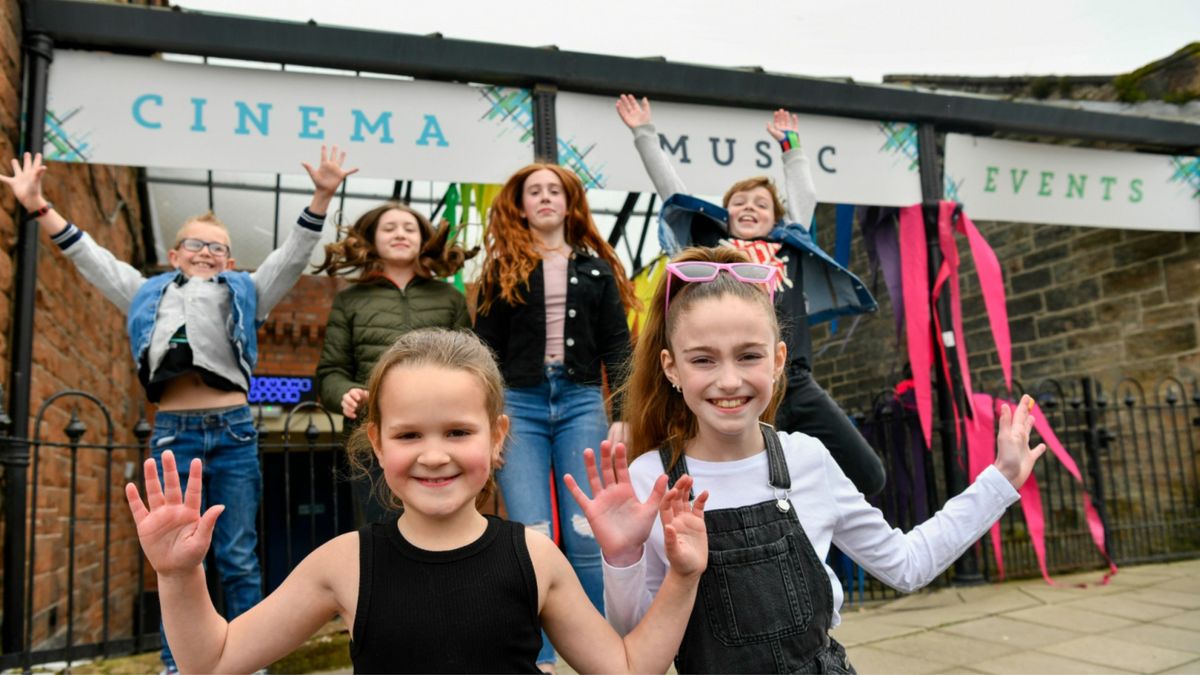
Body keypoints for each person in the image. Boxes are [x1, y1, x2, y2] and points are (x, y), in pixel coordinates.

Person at [569, 246, 1045, 673]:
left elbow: (905, 564)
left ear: (778, 362)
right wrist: (622, 557)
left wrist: (1000, 480)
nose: (730, 380)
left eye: (749, 356)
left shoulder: (807, 458)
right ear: (672, 367)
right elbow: (636, 651)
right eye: (704, 360)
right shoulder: (649, 478)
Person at [125, 328, 709, 674]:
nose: (434, 456)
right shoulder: (343, 562)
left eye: (457, 432)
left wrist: (683, 576)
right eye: (409, 435)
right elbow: (215, 661)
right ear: (377, 443)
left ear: (497, 436)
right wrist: (179, 576)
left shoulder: (535, 556)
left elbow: (628, 668)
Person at [1, 147, 357, 673]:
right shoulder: (146, 293)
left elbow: (292, 255)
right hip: (173, 432)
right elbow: (90, 257)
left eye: (220, 248)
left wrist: (322, 195)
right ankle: (177, 664)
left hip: (234, 431)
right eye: (196, 244)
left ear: (232, 261)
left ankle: (249, 660)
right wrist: (38, 205)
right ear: (174, 254)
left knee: (237, 554)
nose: (208, 252)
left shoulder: (247, 292)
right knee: (171, 556)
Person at [616, 95, 886, 497]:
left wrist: (791, 148)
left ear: (778, 219)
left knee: (869, 474)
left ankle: (803, 511)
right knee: (754, 480)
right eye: (738, 203)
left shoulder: (791, 245)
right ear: (726, 216)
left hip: (793, 378)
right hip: (740, 381)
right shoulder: (714, 249)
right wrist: (644, 133)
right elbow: (672, 192)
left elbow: (804, 194)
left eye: (761, 204)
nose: (749, 208)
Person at [473, 163, 636, 671]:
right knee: (531, 531)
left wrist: (624, 413)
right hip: (518, 405)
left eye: (554, 191)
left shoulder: (596, 269)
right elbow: (484, 352)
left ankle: (599, 648)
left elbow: (618, 344)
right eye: (533, 191)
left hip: (581, 401)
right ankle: (538, 656)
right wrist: (487, 420)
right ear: (520, 206)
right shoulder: (502, 269)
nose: (544, 198)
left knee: (587, 528)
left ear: (570, 204)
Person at [314, 201, 476, 525]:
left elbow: (473, 367)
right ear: (373, 240)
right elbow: (330, 372)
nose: (400, 234)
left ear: (423, 240)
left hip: (442, 431)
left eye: (409, 228)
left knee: (446, 524)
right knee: (381, 530)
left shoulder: (449, 298)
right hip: (373, 435)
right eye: (389, 228)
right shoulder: (350, 300)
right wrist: (344, 392)